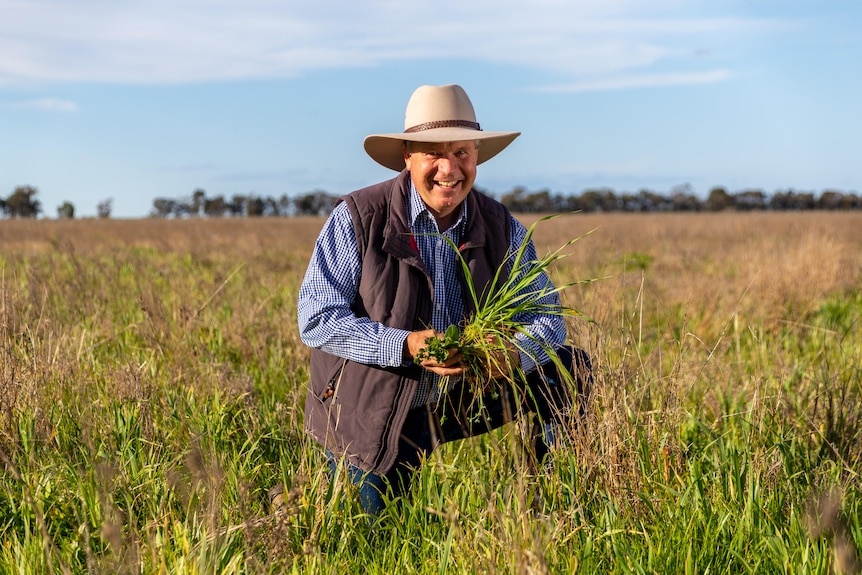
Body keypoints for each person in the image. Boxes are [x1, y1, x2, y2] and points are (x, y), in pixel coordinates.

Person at [295, 84, 592, 516]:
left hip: (460, 397)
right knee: (372, 533)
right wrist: (405, 345)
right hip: (372, 410)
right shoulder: (359, 216)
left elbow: (548, 318)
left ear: (477, 156)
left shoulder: (499, 224)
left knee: (568, 367)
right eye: (433, 153)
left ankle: (548, 504)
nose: (448, 169)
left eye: (462, 153)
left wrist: (507, 354)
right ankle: (304, 499)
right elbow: (317, 318)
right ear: (407, 157)